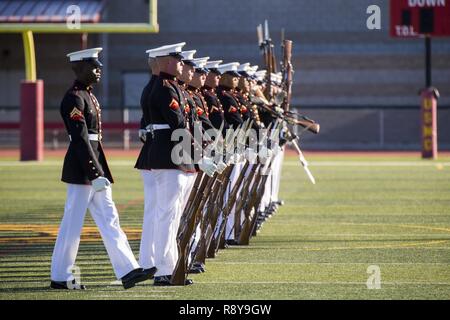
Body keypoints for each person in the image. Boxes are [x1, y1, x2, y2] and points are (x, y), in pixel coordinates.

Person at [51, 47, 155, 290]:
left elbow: (92, 140)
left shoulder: (89, 96)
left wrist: (98, 172)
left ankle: (128, 270)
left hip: (94, 166)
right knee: (72, 223)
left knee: (110, 219)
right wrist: (95, 173)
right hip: (83, 169)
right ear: (79, 68)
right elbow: (80, 139)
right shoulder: (74, 98)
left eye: (99, 66)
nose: (99, 70)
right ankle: (60, 275)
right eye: (93, 66)